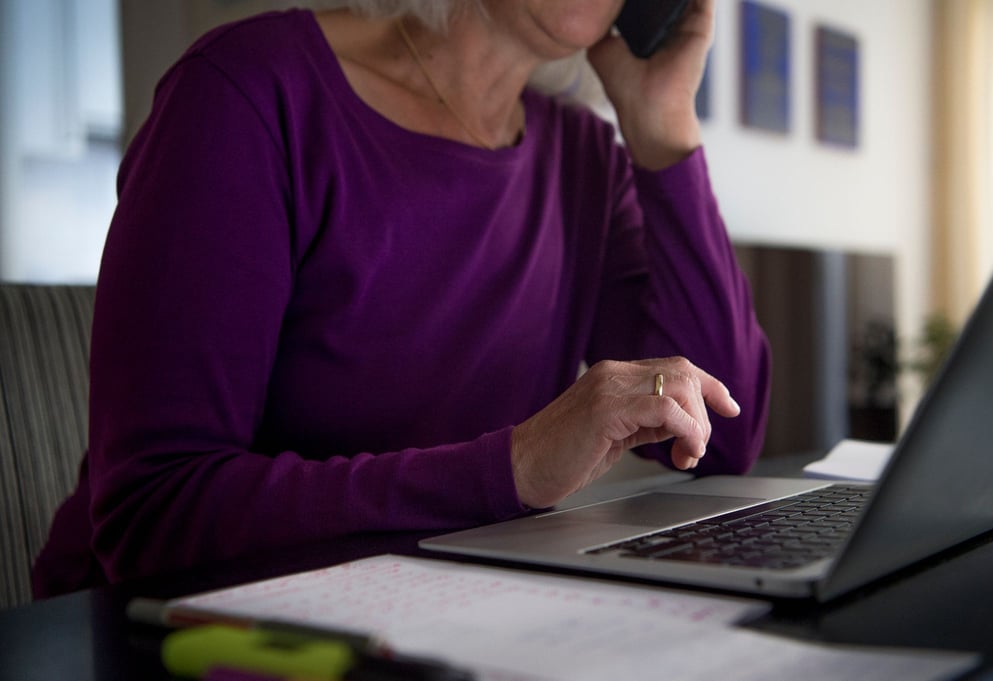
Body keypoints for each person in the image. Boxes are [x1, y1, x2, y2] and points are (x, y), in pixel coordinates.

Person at [32, 0, 770, 597]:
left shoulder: (584, 158)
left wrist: (662, 120)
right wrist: (510, 467)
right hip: (166, 636)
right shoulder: (248, 91)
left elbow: (724, 439)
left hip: (432, 614)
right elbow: (152, 515)